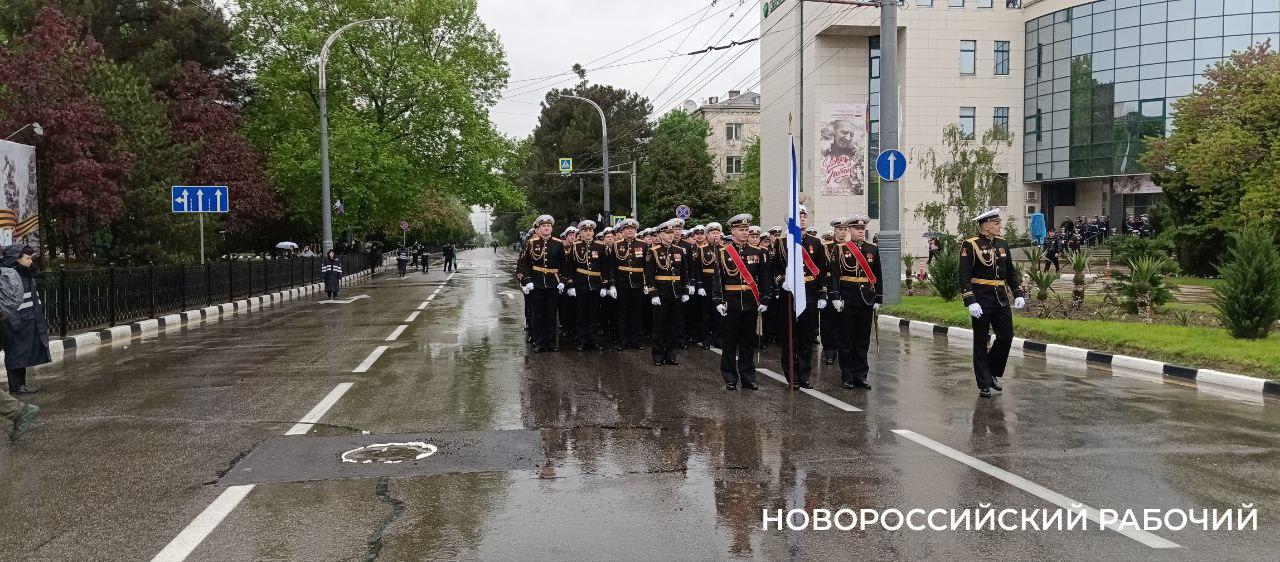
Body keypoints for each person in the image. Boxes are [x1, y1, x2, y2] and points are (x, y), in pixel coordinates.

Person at [960, 208, 1026, 397]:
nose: (999, 226)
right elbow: (964, 275)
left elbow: (1011, 271)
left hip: (1000, 298)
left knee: (1006, 336)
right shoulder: (970, 244)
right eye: (996, 224)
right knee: (980, 341)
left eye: (998, 223)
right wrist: (970, 300)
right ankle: (984, 383)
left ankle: (991, 372)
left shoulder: (1002, 244)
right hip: (981, 299)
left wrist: (1018, 292)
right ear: (986, 226)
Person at [710, 214, 772, 390]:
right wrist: (717, 300)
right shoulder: (723, 252)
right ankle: (730, 377)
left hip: (751, 303)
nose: (745, 233)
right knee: (729, 343)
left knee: (748, 343)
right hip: (731, 303)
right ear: (733, 231)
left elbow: (765, 278)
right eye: (741, 230)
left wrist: (766, 298)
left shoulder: (758, 252)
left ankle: (748, 377)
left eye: (747, 230)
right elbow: (718, 279)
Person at [773, 205, 829, 390]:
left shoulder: (816, 243)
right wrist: (782, 281)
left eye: (805, 215)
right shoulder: (782, 243)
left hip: (810, 294)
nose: (803, 219)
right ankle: (792, 374)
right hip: (789, 294)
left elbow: (821, 270)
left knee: (806, 338)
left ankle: (805, 375)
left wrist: (822, 293)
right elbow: (775, 268)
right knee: (791, 337)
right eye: (799, 216)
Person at [829, 216, 881, 390]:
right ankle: (848, 376)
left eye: (862, 228)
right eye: (857, 228)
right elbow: (834, 276)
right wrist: (835, 296)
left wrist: (878, 298)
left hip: (866, 299)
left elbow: (878, 275)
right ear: (849, 230)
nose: (860, 231)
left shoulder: (872, 249)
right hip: (847, 299)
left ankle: (861, 376)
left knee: (862, 340)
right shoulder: (840, 249)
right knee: (846, 340)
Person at [0, 245, 50, 397]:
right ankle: (17, 386)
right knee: (16, 353)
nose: (30, 261)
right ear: (17, 260)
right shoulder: (11, 276)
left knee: (22, 352)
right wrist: (13, 321)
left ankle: (20, 384)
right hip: (16, 321)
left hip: (26, 319)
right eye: (27, 258)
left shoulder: (24, 274)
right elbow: (8, 302)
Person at [517, 215, 566, 352]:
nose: (546, 228)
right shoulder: (532, 243)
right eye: (543, 226)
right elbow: (525, 265)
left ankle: (551, 342)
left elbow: (564, 265)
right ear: (538, 228)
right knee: (538, 314)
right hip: (537, 284)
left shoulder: (558, 243)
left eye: (548, 226)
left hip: (552, 284)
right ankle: (539, 342)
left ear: (552, 228)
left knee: (551, 315)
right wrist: (527, 281)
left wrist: (562, 281)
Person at [645, 220, 690, 366]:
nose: (671, 235)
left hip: (676, 292)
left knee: (674, 325)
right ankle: (658, 355)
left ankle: (671, 355)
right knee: (659, 326)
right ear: (660, 234)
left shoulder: (679, 251)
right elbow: (649, 274)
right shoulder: (653, 252)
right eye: (668, 233)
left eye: (672, 233)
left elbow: (684, 272)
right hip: (661, 293)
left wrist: (685, 290)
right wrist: (653, 293)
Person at [564, 221, 611, 351]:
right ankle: (582, 340)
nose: (588, 233)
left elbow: (605, 267)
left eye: (590, 230)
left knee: (594, 314)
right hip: (580, 284)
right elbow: (571, 267)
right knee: (581, 314)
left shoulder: (600, 246)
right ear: (581, 233)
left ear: (593, 232)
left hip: (596, 285)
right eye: (585, 231)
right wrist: (571, 284)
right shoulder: (575, 246)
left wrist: (604, 285)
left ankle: (594, 340)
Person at [610, 219, 647, 350]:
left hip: (638, 284)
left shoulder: (643, 245)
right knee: (623, 314)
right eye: (627, 229)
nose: (629, 230)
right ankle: (623, 341)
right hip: (622, 284)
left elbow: (647, 267)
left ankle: (635, 340)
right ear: (623, 231)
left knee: (637, 313)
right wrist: (612, 284)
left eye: (632, 229)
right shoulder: (616, 245)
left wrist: (646, 283)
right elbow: (613, 267)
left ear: (636, 231)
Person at [820, 221, 843, 366]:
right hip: (828, 289)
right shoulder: (825, 248)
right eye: (840, 229)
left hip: (845, 290)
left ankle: (842, 349)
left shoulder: (850, 248)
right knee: (828, 322)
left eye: (845, 229)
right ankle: (829, 350)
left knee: (843, 323)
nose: (842, 232)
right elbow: (822, 271)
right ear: (834, 230)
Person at [699, 222, 724, 348]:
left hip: (720, 283)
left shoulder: (724, 250)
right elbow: (697, 269)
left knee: (719, 312)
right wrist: (700, 286)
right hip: (707, 282)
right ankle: (706, 339)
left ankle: (718, 338)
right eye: (713, 233)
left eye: (717, 233)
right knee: (707, 313)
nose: (716, 235)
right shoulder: (702, 250)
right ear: (707, 235)